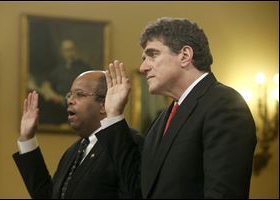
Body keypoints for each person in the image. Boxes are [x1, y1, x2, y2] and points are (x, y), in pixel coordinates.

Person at [102, 17, 257, 198]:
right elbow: (139, 188)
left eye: (153, 55)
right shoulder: (161, 120)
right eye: (144, 58)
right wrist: (113, 115)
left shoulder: (224, 104)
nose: (143, 67)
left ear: (185, 56)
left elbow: (223, 194)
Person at [13, 71, 143, 199]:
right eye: (69, 95)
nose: (70, 100)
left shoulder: (128, 143)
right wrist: (28, 138)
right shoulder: (73, 151)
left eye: (79, 94)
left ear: (104, 104)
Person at [39, 39, 93, 124]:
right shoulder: (60, 67)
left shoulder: (83, 67)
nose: (69, 53)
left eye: (71, 49)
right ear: (62, 52)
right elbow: (47, 83)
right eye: (66, 50)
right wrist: (51, 93)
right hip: (58, 105)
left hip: (75, 105)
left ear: (75, 50)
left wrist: (64, 100)